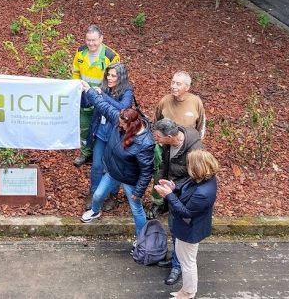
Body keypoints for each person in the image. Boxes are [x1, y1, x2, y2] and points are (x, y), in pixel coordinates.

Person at [79, 83, 154, 240]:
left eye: (122, 124)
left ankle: (141, 238)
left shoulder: (145, 143)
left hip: (129, 179)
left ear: (131, 126)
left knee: (136, 209)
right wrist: (89, 90)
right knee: (98, 195)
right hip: (113, 172)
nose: (118, 125)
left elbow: (147, 171)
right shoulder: (119, 120)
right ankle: (95, 211)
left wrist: (138, 192)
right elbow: (103, 105)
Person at [154, 149, 220, 299]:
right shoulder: (203, 178)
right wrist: (173, 188)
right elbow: (186, 189)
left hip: (189, 230)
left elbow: (186, 212)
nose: (187, 166)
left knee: (187, 263)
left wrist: (168, 195)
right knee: (186, 259)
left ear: (197, 167)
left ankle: (188, 292)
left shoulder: (203, 192)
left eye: (189, 164)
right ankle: (187, 290)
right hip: (187, 228)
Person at [150, 117, 205, 286]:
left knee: (179, 231)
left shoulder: (194, 148)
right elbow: (166, 165)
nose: (156, 139)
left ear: (169, 136)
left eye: (158, 136)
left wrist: (174, 188)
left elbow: (197, 176)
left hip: (185, 196)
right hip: (172, 191)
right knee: (174, 229)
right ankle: (176, 259)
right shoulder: (168, 144)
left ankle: (177, 266)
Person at [85, 62, 134, 211]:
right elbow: (89, 102)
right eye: (108, 74)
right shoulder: (103, 86)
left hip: (117, 134)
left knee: (114, 166)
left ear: (121, 77)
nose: (110, 78)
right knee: (97, 165)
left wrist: (102, 96)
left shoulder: (127, 90)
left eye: (114, 75)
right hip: (101, 132)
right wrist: (86, 92)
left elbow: (122, 108)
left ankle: (112, 195)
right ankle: (93, 193)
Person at [72, 25, 120, 166]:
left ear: (101, 39)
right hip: (84, 96)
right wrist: (77, 83)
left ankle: (102, 156)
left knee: (102, 126)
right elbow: (75, 71)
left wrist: (101, 90)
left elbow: (114, 79)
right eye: (88, 40)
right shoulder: (80, 52)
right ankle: (86, 153)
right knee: (84, 125)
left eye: (94, 40)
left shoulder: (110, 56)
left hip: (102, 97)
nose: (91, 43)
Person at [152, 71, 206, 139]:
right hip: (167, 143)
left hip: (188, 144)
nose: (174, 86)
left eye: (178, 84)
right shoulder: (165, 101)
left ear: (187, 87)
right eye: (173, 82)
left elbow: (201, 127)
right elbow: (155, 123)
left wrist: (197, 143)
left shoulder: (196, 102)